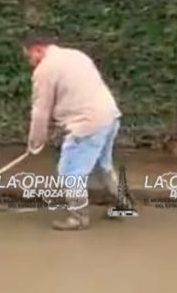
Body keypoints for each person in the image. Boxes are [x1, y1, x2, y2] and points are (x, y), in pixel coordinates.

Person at [23, 34, 123, 231]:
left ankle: (78, 218)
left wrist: (35, 142)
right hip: (109, 116)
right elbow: (78, 93)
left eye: (29, 57)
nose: (30, 62)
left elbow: (41, 111)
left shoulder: (45, 70)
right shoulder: (76, 55)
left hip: (86, 124)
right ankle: (122, 201)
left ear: (38, 49)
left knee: (71, 172)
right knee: (103, 164)